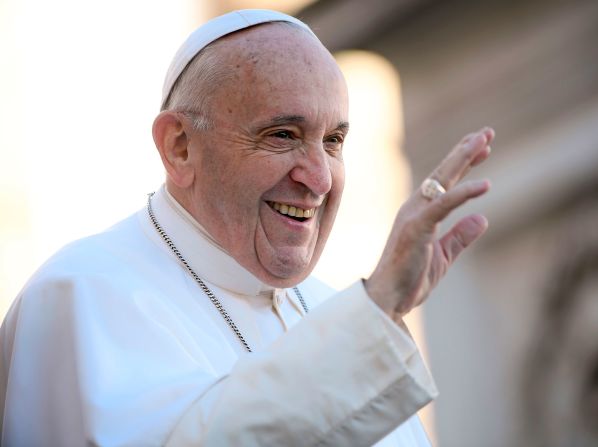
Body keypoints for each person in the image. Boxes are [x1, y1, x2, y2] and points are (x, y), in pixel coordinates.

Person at [0, 9, 494, 446]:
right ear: (180, 147)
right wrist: (377, 308)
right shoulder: (81, 294)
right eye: (283, 135)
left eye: (334, 140)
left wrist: (375, 315)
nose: (318, 178)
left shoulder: (331, 306)